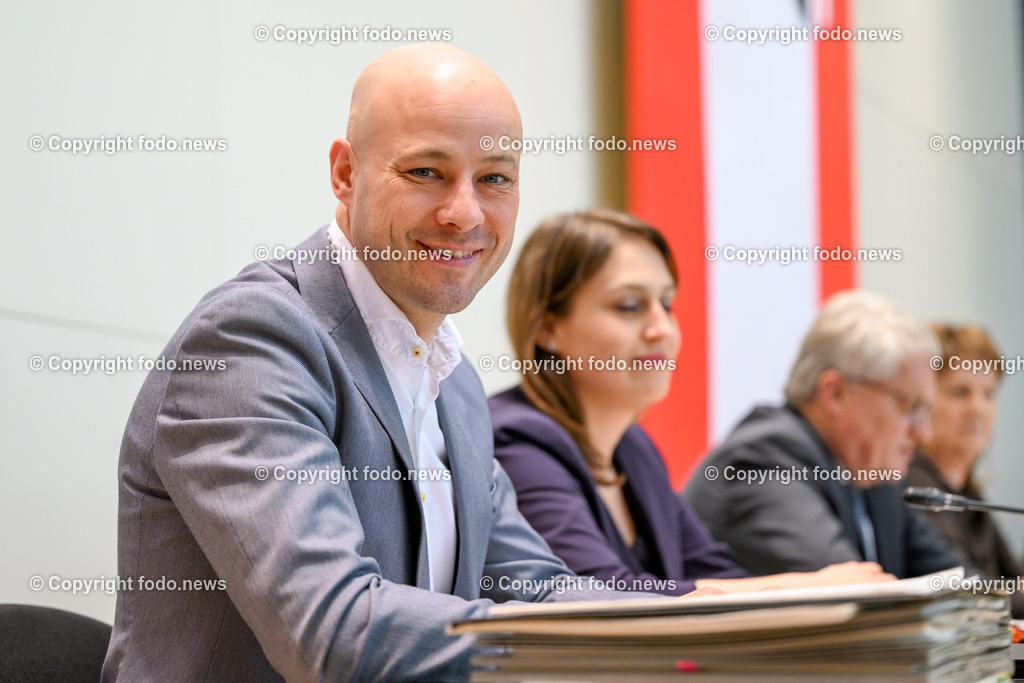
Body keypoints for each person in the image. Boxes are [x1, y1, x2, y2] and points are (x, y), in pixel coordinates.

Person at [102, 45, 649, 683]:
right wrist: (586, 653)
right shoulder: (251, 338)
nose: (465, 213)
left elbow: (534, 587)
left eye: (495, 178)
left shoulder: (455, 381)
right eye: (425, 172)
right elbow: (336, 632)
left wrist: (708, 624)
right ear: (345, 173)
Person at [490, 209, 892, 595]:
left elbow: (713, 570)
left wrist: (810, 588)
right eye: (629, 306)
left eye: (666, 304)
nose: (660, 329)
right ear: (547, 328)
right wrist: (811, 586)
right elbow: (604, 596)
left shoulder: (633, 448)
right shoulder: (519, 445)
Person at [685, 290, 966, 579]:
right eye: (909, 406)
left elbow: (959, 582)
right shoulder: (763, 460)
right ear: (836, 393)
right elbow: (849, 594)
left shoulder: (874, 474)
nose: (923, 433)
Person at [907, 323, 1024, 617]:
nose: (978, 409)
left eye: (988, 394)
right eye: (960, 393)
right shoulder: (916, 488)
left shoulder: (967, 491)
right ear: (922, 401)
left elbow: (1013, 577)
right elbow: (972, 592)